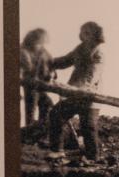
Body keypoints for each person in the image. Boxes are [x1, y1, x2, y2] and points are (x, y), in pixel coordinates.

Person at [47, 21, 105, 161]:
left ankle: (93, 157)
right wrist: (49, 62)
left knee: (89, 127)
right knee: (56, 114)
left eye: (86, 32)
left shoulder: (98, 52)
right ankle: (57, 150)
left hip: (91, 96)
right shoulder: (80, 49)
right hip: (74, 94)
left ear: (93, 34)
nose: (82, 35)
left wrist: (79, 89)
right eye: (82, 32)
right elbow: (65, 61)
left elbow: (92, 75)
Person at [20, 28, 55, 127]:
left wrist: (51, 73)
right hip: (31, 84)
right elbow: (27, 67)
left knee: (47, 103)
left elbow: (51, 62)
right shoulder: (23, 51)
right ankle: (30, 130)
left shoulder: (42, 51)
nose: (41, 46)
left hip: (41, 84)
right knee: (31, 109)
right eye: (40, 43)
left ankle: (40, 128)